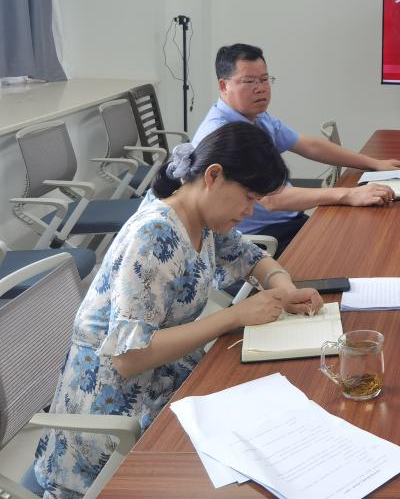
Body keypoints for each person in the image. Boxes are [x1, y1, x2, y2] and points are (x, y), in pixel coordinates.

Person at [33, 122, 324, 499]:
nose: (249, 212)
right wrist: (234, 316)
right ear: (213, 176)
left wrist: (284, 288)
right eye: (248, 198)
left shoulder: (201, 218)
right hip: (112, 417)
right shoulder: (154, 235)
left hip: (161, 379)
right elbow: (129, 358)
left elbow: (252, 258)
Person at [192, 43, 400, 249]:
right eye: (249, 81)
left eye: (264, 79)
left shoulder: (257, 116)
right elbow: (272, 199)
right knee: (358, 244)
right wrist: (349, 194)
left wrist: (375, 164)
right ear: (224, 85)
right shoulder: (223, 134)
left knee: (364, 234)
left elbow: (309, 145)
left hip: (289, 221)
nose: (260, 88)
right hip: (258, 240)